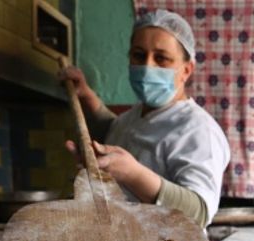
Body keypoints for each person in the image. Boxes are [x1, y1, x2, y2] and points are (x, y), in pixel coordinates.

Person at [60, 9, 229, 227]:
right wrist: (86, 95)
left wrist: (132, 174)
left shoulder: (197, 129)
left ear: (187, 70)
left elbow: (199, 212)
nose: (147, 66)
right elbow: (117, 130)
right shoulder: (135, 116)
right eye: (139, 55)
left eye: (161, 58)